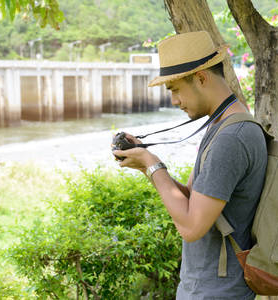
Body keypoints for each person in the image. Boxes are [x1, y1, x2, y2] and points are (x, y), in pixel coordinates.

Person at [112, 31, 267, 299]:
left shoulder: (231, 137)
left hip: (216, 292)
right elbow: (194, 202)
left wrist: (152, 164)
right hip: (209, 287)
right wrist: (145, 166)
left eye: (174, 89)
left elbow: (191, 227)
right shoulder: (223, 124)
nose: (173, 101)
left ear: (201, 78)